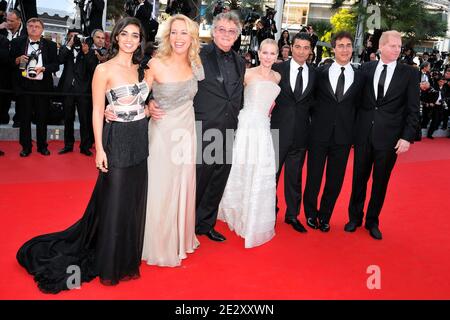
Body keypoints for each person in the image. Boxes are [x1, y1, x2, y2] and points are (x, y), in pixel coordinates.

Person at [16, 17, 150, 293]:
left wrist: (150, 110)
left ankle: (126, 254)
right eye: (124, 34)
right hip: (117, 142)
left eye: (135, 35)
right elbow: (95, 110)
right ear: (115, 37)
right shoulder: (104, 69)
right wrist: (99, 148)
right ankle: (110, 259)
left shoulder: (142, 69)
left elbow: (146, 102)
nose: (129, 39)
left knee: (132, 201)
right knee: (114, 200)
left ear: (140, 40)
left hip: (140, 140)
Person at [107, 14, 203, 266]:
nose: (178, 37)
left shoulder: (196, 62)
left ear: (192, 36)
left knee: (183, 184)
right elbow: (137, 97)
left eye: (184, 32)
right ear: (167, 36)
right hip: (162, 135)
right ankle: (156, 244)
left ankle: (180, 238)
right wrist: (118, 109)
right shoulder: (155, 64)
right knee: (162, 188)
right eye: (174, 32)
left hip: (187, 134)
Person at [149, 12, 245, 242]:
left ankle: (206, 224)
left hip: (230, 128)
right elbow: (170, 76)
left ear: (237, 35)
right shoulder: (197, 54)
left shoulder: (241, 61)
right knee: (198, 179)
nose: (226, 34)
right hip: (201, 126)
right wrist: (151, 101)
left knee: (218, 179)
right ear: (213, 31)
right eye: (221, 29)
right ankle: (186, 226)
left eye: (232, 31)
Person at [346, 30, 420, 240]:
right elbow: (358, 103)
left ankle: (372, 221)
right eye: (393, 46)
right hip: (363, 135)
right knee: (358, 179)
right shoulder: (366, 69)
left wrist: (407, 137)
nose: (397, 49)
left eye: (399, 46)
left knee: (380, 182)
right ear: (381, 47)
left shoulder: (409, 73)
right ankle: (354, 218)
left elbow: (413, 109)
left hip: (390, 139)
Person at [218, 39, 280, 248]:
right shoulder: (247, 73)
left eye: (272, 53)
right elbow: (234, 98)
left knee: (259, 170)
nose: (268, 57)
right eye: (264, 52)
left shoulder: (277, 77)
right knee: (241, 167)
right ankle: (234, 210)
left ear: (277, 55)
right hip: (246, 125)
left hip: (263, 127)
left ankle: (252, 215)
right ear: (258, 53)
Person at [303, 31, 364, 232]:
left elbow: (359, 107)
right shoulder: (320, 73)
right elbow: (310, 100)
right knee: (313, 177)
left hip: (344, 138)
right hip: (318, 134)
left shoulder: (360, 76)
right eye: (341, 45)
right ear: (333, 49)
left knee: (335, 180)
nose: (345, 49)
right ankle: (311, 214)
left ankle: (325, 216)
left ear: (352, 49)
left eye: (348, 45)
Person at [271, 32, 316, 233]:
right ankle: (269, 211)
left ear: (310, 51)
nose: (301, 51)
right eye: (298, 47)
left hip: (300, 134)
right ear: (290, 47)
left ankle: (292, 215)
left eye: (306, 48)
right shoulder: (277, 69)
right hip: (277, 132)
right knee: (271, 176)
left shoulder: (316, 73)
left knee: (294, 177)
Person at [10, 18, 59, 157]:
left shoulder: (50, 45)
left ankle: (42, 146)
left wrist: (43, 68)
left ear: (42, 29)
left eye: (37, 26)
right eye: (31, 26)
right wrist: (17, 60)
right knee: (24, 118)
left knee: (42, 118)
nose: (33, 28)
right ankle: (26, 147)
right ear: (26, 28)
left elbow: (55, 65)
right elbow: (9, 62)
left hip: (42, 87)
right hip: (24, 86)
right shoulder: (17, 42)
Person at [57, 29, 96, 156]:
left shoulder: (88, 52)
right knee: (68, 119)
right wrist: (69, 44)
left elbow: (93, 69)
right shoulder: (66, 49)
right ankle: (68, 145)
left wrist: (86, 53)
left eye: (77, 37)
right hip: (68, 90)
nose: (75, 39)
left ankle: (85, 146)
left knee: (84, 120)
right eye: (72, 37)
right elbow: (60, 60)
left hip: (83, 91)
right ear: (68, 38)